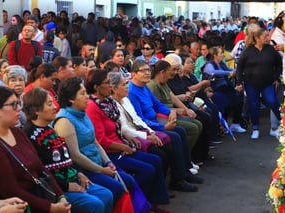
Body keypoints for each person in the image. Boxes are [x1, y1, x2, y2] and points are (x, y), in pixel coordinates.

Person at [0, 86, 73, 213]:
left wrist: (60, 196)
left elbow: (41, 168)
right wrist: (51, 208)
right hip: (17, 206)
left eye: (19, 103)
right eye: (13, 105)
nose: (19, 108)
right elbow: (11, 191)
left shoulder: (16, 132)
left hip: (40, 194)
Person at [85, 69, 174, 212]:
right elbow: (101, 140)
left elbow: (120, 128)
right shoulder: (92, 107)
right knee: (147, 169)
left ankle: (153, 201)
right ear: (96, 87)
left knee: (156, 159)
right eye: (107, 83)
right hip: (111, 152)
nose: (110, 86)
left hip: (122, 145)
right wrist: (124, 147)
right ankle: (137, 205)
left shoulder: (108, 102)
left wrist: (129, 139)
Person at [23, 87, 113, 213]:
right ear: (37, 110)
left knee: (106, 195)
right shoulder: (29, 135)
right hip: (56, 187)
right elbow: (39, 172)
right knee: (95, 204)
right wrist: (67, 186)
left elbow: (66, 155)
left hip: (72, 177)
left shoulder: (48, 127)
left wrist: (79, 173)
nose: (55, 107)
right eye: (49, 104)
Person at [53, 77, 136, 205]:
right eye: (82, 94)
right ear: (71, 99)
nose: (87, 96)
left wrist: (107, 161)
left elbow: (95, 141)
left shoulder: (82, 112)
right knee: (117, 188)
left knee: (128, 180)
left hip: (98, 163)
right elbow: (75, 156)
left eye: (86, 92)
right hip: (85, 170)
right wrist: (101, 170)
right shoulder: (65, 121)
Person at [128, 60, 204, 192]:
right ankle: (177, 179)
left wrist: (170, 112)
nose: (147, 73)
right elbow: (140, 120)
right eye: (143, 70)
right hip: (147, 127)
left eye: (148, 70)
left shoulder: (144, 87)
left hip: (156, 120)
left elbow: (157, 105)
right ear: (134, 74)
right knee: (175, 135)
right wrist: (162, 127)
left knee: (180, 131)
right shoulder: (132, 92)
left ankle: (185, 171)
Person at [236, 27, 282, 139]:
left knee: (273, 102)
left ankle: (279, 126)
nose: (267, 38)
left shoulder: (270, 49)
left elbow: (278, 63)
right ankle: (255, 128)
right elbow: (240, 67)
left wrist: (277, 78)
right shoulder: (248, 50)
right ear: (257, 38)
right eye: (265, 36)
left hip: (268, 82)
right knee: (254, 105)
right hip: (251, 82)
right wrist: (239, 82)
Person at [202, 47, 246, 134]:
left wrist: (239, 72)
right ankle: (221, 125)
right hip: (215, 89)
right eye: (220, 53)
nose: (223, 55)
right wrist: (228, 73)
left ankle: (235, 124)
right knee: (223, 102)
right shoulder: (209, 64)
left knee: (238, 101)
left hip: (225, 87)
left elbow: (229, 70)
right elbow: (213, 72)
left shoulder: (221, 63)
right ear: (215, 55)